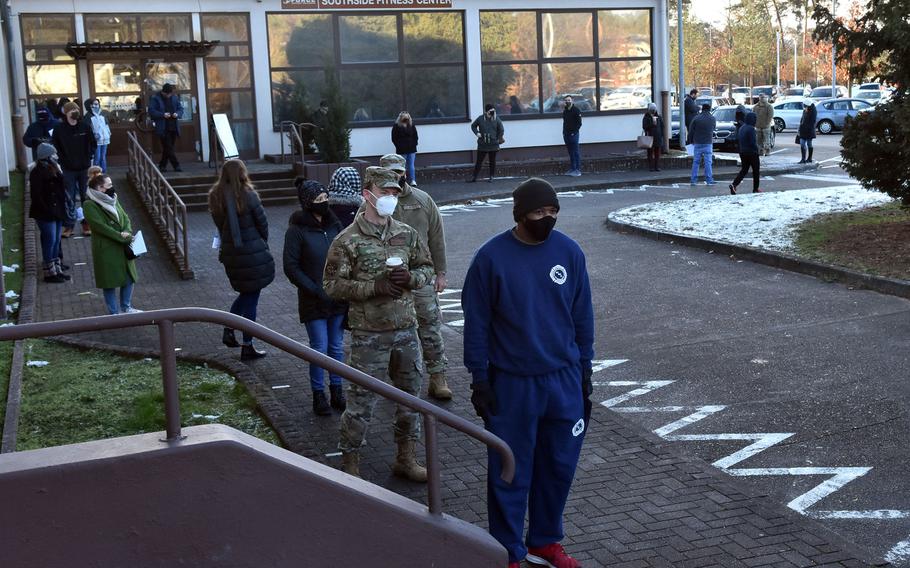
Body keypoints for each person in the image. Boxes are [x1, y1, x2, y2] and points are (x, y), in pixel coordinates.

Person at [462, 177, 594, 568]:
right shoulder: (490, 259)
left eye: (553, 212)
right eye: (539, 212)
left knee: (558, 466)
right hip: (514, 384)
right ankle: (509, 549)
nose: (547, 219)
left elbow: (582, 317)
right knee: (510, 470)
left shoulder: (569, 253)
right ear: (520, 214)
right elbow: (477, 325)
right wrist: (480, 380)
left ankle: (544, 541)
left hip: (563, 380)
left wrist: (585, 371)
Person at [323, 166, 435, 482]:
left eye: (394, 193)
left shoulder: (406, 234)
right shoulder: (347, 240)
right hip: (369, 333)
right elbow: (331, 285)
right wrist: (374, 287)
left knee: (409, 399)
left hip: (405, 330)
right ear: (367, 194)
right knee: (361, 402)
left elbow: (427, 268)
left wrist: (412, 278)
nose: (390, 198)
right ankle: (351, 462)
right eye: (384, 192)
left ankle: (406, 457)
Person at [379, 153, 452, 400]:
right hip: (388, 280)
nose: (395, 177)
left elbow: (437, 239)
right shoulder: (373, 204)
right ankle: (398, 382)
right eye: (390, 172)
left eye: (399, 172)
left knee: (430, 327)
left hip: (420, 276)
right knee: (392, 331)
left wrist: (440, 273)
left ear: (405, 173)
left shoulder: (422, 200)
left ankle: (437, 377)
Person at [284, 179, 347, 416]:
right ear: (308, 203)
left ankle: (337, 390)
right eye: (319, 200)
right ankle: (318, 395)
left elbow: (345, 254)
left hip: (337, 297)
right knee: (319, 347)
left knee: (337, 347)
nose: (325, 202)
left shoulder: (334, 224)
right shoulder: (297, 231)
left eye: (325, 197)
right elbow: (291, 266)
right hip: (313, 299)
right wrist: (314, 288)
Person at [208, 159, 275, 361]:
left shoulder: (215, 196)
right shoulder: (249, 195)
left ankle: (230, 328)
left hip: (231, 253)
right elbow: (262, 224)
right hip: (252, 252)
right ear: (242, 174)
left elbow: (220, 227)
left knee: (247, 294)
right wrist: (261, 242)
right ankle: (246, 344)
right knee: (251, 298)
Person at [83, 172, 140, 314]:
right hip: (107, 249)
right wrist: (122, 236)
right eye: (109, 185)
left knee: (129, 277)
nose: (112, 187)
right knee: (109, 282)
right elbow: (100, 227)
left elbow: (125, 217)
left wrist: (127, 230)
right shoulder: (89, 204)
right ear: (100, 188)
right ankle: (114, 313)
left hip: (122, 246)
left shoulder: (113, 198)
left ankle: (126, 307)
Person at [52, 101, 95, 239]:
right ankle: (69, 226)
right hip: (68, 168)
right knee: (69, 198)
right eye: (72, 110)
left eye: (77, 109)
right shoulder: (59, 129)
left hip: (84, 168)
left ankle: (86, 224)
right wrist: (61, 160)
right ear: (66, 113)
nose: (76, 112)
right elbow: (55, 145)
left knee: (86, 197)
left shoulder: (85, 126)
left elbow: (93, 143)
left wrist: (89, 155)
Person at [28, 143, 69, 284]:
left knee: (56, 241)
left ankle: (57, 270)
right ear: (46, 156)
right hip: (45, 213)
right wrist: (47, 209)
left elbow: (62, 185)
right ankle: (49, 273)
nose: (56, 156)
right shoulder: (37, 172)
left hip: (56, 211)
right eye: (53, 154)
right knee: (49, 240)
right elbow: (37, 195)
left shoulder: (55, 169)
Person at [148, 83, 183, 172]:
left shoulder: (174, 98)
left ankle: (162, 165)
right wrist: (162, 115)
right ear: (163, 92)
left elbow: (180, 108)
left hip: (173, 126)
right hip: (163, 127)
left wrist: (177, 114)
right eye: (168, 94)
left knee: (168, 148)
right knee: (168, 147)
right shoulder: (155, 98)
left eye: (170, 94)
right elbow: (151, 111)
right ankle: (176, 165)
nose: (169, 96)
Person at [470, 104, 504, 183]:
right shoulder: (480, 118)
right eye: (490, 111)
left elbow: (501, 130)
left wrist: (498, 138)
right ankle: (474, 177)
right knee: (479, 161)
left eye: (493, 111)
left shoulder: (496, 119)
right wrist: (477, 133)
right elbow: (473, 126)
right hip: (482, 144)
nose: (492, 113)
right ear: (486, 111)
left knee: (492, 161)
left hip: (493, 144)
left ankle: (492, 176)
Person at [729, 111, 761, 195]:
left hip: (743, 152)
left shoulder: (742, 128)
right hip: (752, 153)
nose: (755, 120)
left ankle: (734, 184)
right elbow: (752, 142)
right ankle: (755, 188)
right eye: (755, 119)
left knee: (744, 170)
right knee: (756, 171)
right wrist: (757, 150)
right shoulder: (751, 128)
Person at [687, 103, 717, 186]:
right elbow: (713, 128)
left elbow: (691, 131)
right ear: (709, 109)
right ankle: (709, 180)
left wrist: (690, 141)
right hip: (708, 143)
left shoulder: (696, 118)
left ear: (702, 109)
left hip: (697, 143)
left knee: (696, 162)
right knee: (708, 162)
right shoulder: (712, 118)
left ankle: (693, 180)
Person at [391, 111, 419, 185]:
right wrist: (398, 146)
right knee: (405, 166)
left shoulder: (410, 125)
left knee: (407, 165)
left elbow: (415, 136)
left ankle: (410, 180)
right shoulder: (397, 126)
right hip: (403, 149)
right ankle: (406, 181)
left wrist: (415, 144)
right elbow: (394, 138)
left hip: (410, 149)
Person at [85, 98, 112, 172]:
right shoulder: (88, 116)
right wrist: (93, 135)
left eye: (97, 104)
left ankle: (103, 173)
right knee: (97, 158)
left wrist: (108, 133)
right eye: (93, 104)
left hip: (105, 139)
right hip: (96, 140)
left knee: (103, 157)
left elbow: (106, 125)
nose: (96, 106)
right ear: (89, 105)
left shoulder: (102, 113)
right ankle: (96, 174)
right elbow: (87, 128)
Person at [562, 95, 583, 177]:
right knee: (570, 152)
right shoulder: (565, 111)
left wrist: (574, 132)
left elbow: (579, 123)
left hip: (574, 135)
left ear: (572, 101)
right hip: (566, 135)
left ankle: (577, 170)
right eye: (566, 100)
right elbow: (565, 123)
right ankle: (572, 168)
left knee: (575, 152)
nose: (567, 101)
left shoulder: (576, 110)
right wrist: (564, 132)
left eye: (569, 100)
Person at [642, 103, 665, 171]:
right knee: (650, 152)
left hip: (658, 137)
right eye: (652, 110)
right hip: (649, 136)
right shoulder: (646, 117)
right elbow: (644, 127)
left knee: (657, 153)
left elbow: (662, 126)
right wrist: (652, 124)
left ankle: (657, 167)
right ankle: (651, 167)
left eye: (654, 110)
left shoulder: (659, 116)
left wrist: (662, 136)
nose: (653, 111)